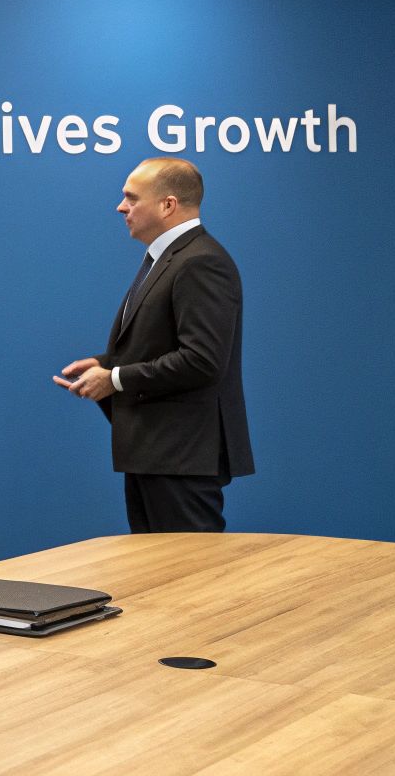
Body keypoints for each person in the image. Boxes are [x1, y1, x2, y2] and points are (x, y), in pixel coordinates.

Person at [55, 157, 253, 534]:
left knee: (191, 568)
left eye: (132, 198)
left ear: (168, 205)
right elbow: (159, 345)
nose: (121, 207)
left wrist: (115, 379)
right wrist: (105, 363)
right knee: (158, 569)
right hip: (157, 454)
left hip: (181, 457)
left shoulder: (200, 262)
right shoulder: (167, 259)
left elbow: (202, 360)